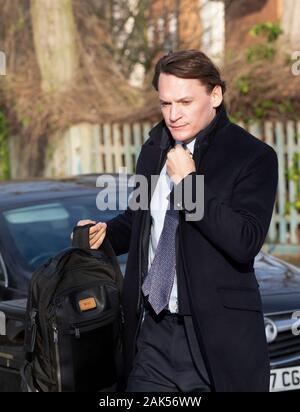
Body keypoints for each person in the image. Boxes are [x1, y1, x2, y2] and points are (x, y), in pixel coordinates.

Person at [76, 50, 278, 392]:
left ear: (215, 95)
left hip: (215, 339)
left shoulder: (252, 156)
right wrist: (103, 234)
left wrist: (189, 185)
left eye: (184, 102)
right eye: (165, 103)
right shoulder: (154, 149)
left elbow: (244, 241)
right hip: (152, 333)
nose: (173, 114)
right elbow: (138, 222)